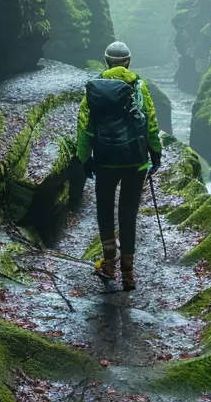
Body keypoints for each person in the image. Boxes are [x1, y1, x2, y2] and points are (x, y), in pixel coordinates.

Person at [76, 41, 162, 291]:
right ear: (128, 62)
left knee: (104, 209)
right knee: (128, 213)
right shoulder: (139, 87)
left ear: (106, 62)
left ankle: (109, 265)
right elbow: (151, 123)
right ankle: (129, 274)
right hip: (135, 161)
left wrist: (85, 158)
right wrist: (155, 154)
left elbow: (84, 125)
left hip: (104, 160)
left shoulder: (94, 88)